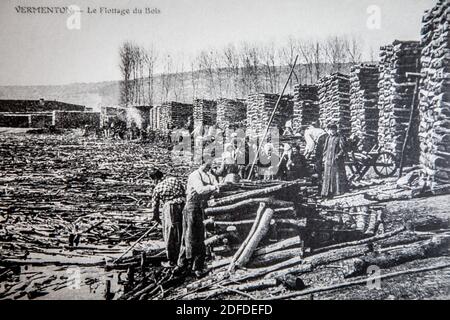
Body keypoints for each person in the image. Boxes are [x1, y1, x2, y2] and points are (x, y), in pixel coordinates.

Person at [176, 159, 220, 277]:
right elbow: (200, 190)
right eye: (207, 164)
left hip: (202, 208)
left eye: (210, 164)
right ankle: (182, 264)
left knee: (201, 237)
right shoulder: (195, 175)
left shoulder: (210, 175)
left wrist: (215, 188)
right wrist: (213, 187)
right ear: (201, 163)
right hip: (192, 207)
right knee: (189, 237)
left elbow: (217, 187)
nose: (209, 166)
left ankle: (198, 267)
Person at [149, 169, 186, 266]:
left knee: (169, 233)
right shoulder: (174, 179)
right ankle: (182, 256)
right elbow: (184, 191)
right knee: (182, 230)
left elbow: (155, 206)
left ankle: (171, 260)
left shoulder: (157, 188)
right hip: (183, 204)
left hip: (170, 207)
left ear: (156, 179)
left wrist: (156, 218)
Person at [321, 124, 349, 198]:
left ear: (336, 130)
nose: (332, 131)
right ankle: (326, 191)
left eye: (333, 129)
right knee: (327, 176)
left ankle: (336, 191)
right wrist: (324, 158)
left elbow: (343, 149)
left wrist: (337, 156)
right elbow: (325, 149)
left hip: (336, 160)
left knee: (335, 175)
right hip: (328, 160)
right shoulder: (328, 138)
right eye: (330, 130)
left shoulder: (339, 138)